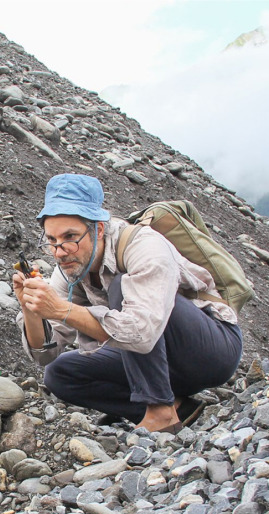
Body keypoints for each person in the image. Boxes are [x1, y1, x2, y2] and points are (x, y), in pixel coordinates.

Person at [13, 173, 243, 433]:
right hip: (159, 364)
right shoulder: (68, 267)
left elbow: (142, 333)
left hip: (211, 351)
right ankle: (174, 409)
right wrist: (31, 309)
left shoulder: (143, 245)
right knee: (59, 373)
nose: (59, 251)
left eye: (70, 237)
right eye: (52, 241)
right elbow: (46, 353)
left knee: (121, 286)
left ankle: (160, 413)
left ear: (98, 229)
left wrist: (60, 309)